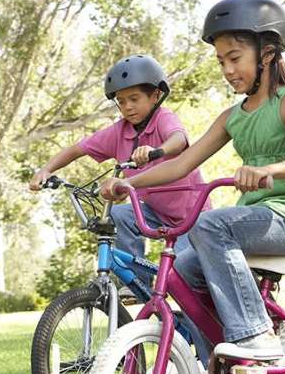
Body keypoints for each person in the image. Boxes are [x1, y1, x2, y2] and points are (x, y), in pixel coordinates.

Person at [100, 0, 285, 361]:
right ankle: (222, 361)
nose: (228, 69)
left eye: (235, 58)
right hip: (251, 220)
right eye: (221, 62)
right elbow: (181, 164)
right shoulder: (232, 116)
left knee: (207, 226)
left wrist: (266, 170)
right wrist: (129, 183)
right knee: (180, 273)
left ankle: (255, 334)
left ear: (266, 54)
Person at [30, 55, 209, 283]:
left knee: (185, 273)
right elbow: (77, 149)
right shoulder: (118, 132)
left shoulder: (164, 118)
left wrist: (157, 151)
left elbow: (178, 140)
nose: (127, 107)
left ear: (155, 95)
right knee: (117, 214)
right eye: (121, 101)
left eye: (134, 99)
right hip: (155, 211)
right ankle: (136, 281)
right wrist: (46, 170)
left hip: (192, 215)